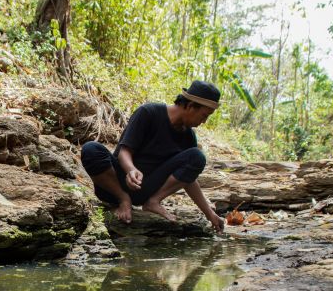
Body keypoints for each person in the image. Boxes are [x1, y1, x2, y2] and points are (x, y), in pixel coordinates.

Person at [80, 80, 225, 233]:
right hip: (115, 183)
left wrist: (210, 214)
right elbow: (124, 152)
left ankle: (153, 201)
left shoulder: (188, 136)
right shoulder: (149, 112)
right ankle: (123, 199)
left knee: (197, 156)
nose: (204, 121)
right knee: (91, 149)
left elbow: (189, 179)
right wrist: (131, 170)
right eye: (204, 115)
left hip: (145, 190)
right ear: (190, 106)